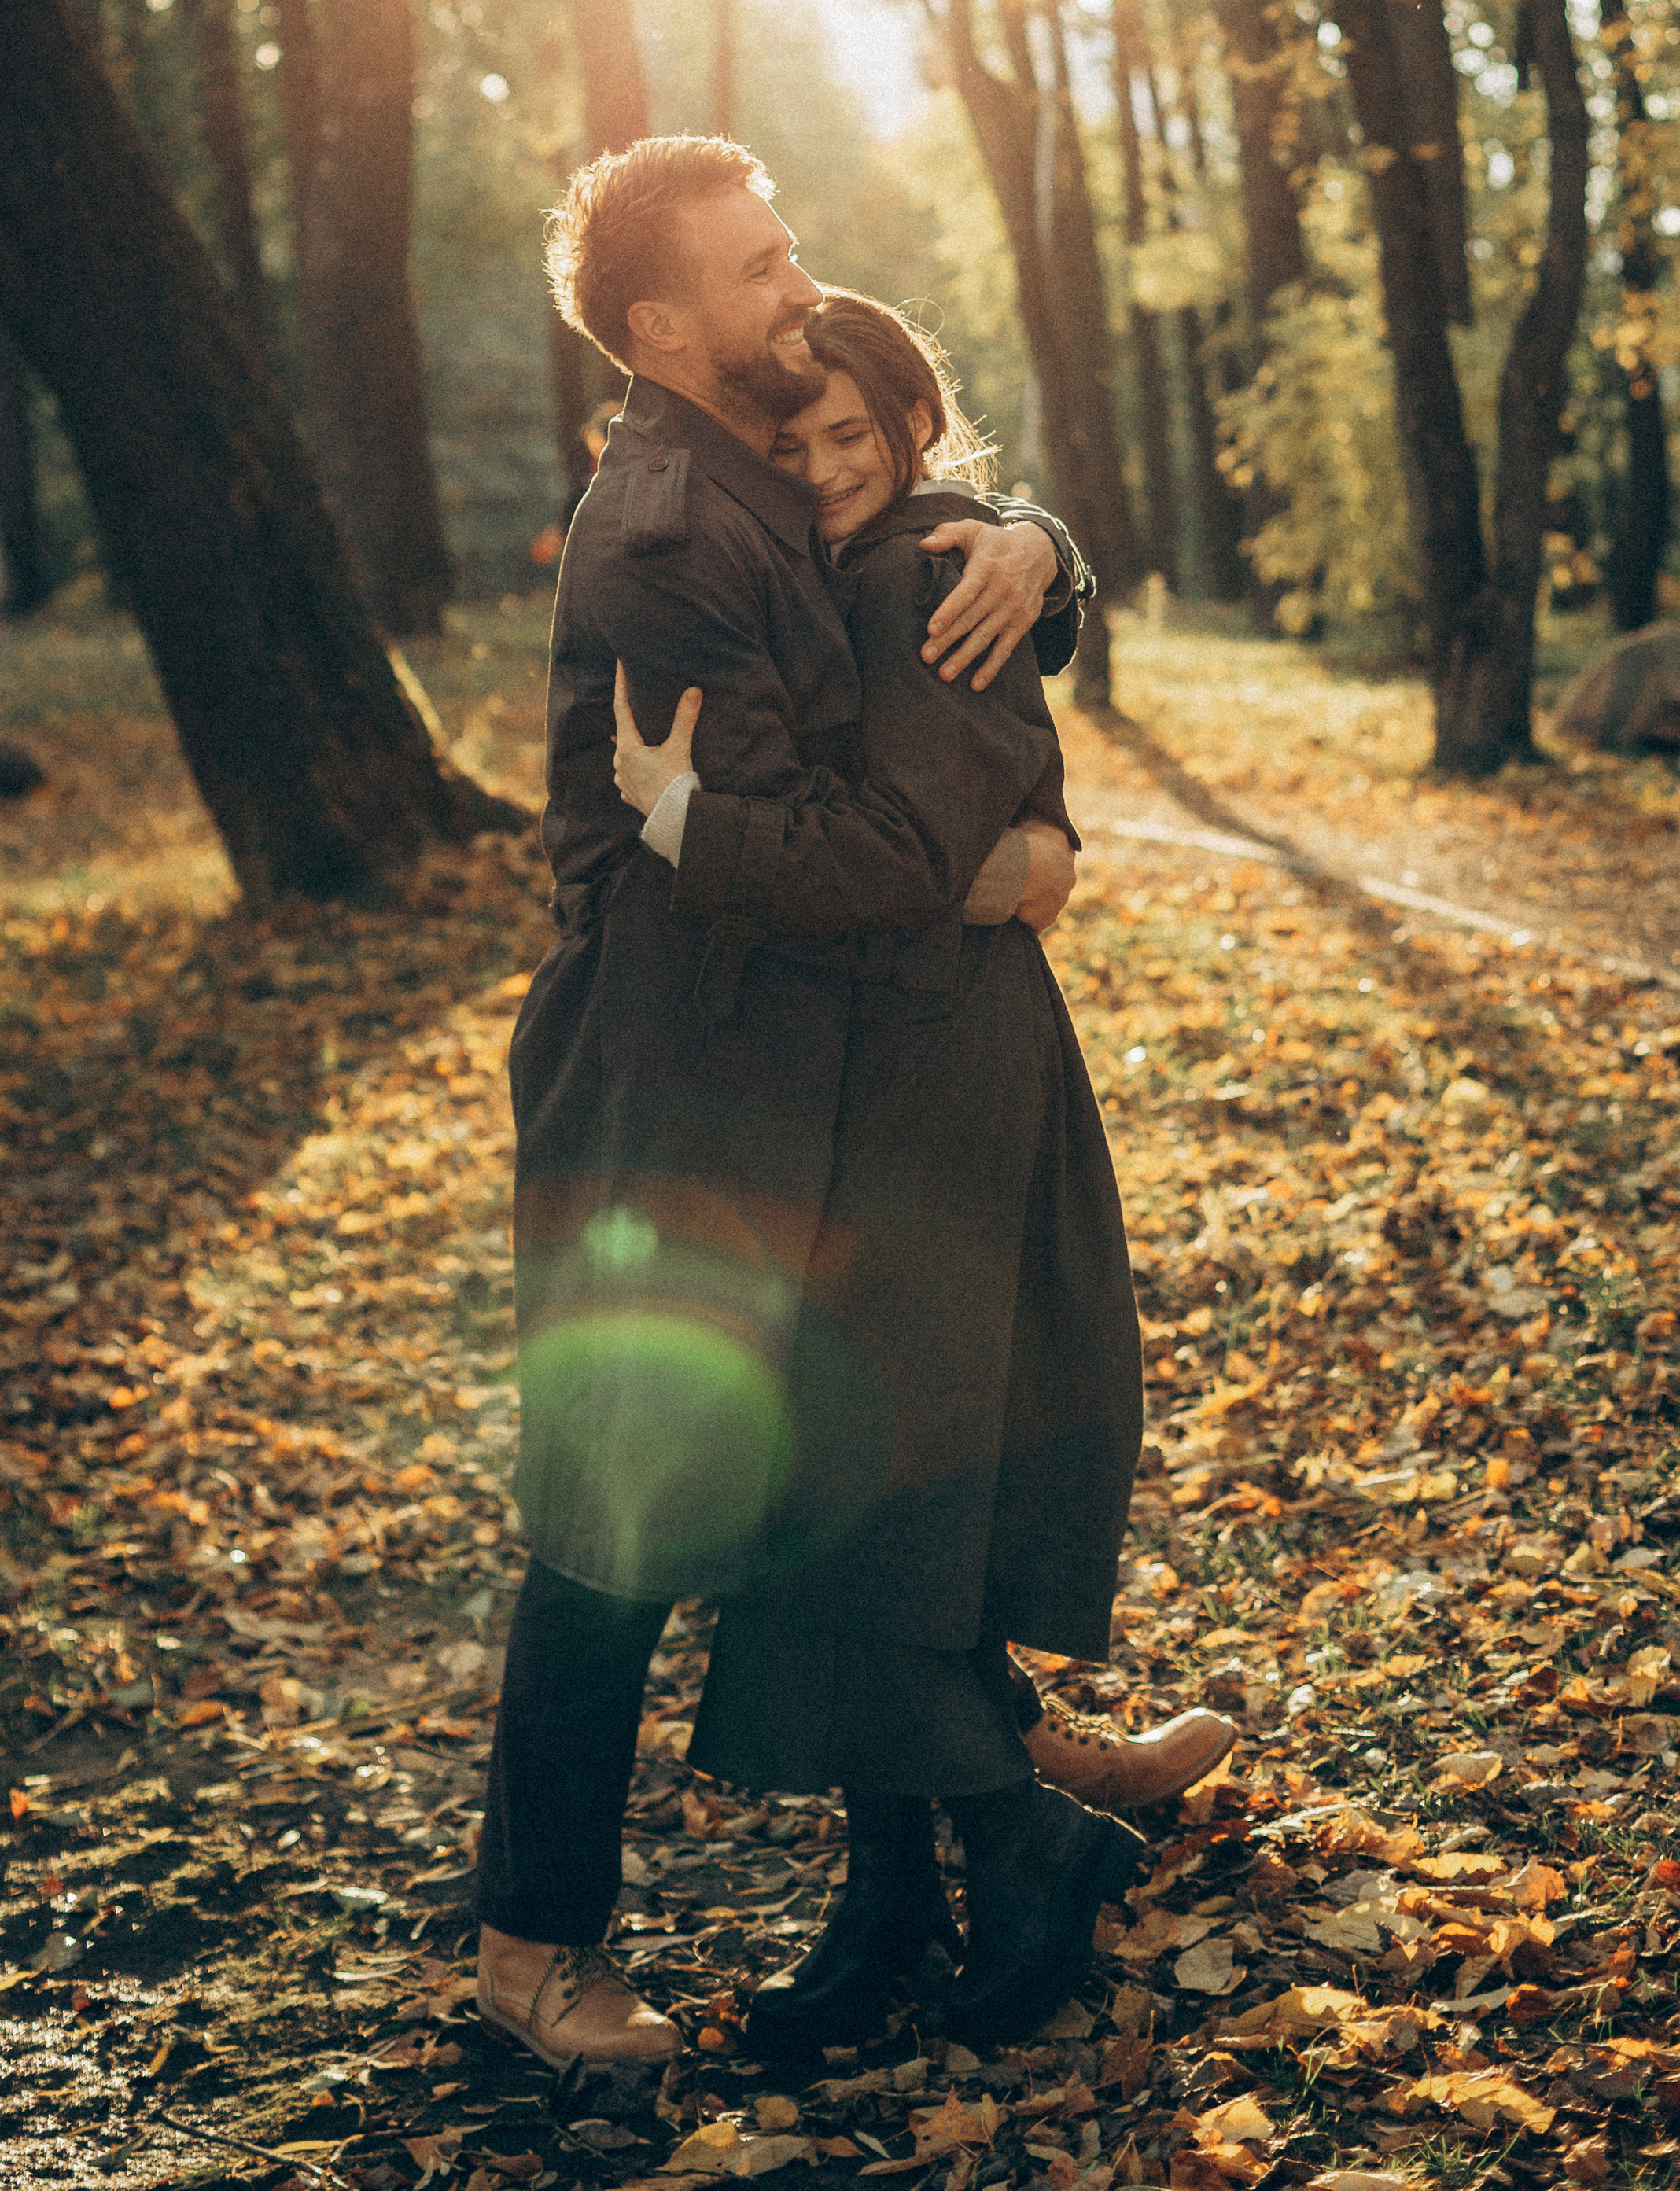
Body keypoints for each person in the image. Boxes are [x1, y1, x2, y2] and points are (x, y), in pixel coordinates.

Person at [475, 137, 1093, 2074]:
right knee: (619, 1509)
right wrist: (975, 859)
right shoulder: (669, 533)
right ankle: (528, 1951)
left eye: (786, 246)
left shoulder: (762, 469)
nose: (793, 284)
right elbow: (795, 837)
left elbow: (902, 500)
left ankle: (978, 1800)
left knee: (859, 1449)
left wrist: (1033, 545)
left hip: (789, 1062)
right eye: (753, 268)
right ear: (660, 327)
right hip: (673, 1080)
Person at [612, 294, 1232, 2057]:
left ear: (908, 428)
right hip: (874, 1063)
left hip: (932, 1077)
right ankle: (894, 1888)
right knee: (856, 1470)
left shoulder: (913, 575)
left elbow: (902, 845)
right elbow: (958, 824)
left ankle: (1019, 1844)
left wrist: (676, 819)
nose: (822, 467)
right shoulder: (852, 568)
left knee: (875, 1468)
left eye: (852, 437)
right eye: (791, 441)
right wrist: (1044, 554)